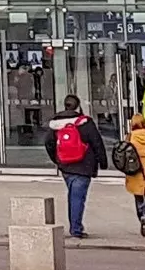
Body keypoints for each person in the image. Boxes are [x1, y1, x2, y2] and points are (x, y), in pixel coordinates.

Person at [45, 93, 108, 239]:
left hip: (66, 166)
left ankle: (75, 225)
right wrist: (103, 162)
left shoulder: (56, 124)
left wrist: (57, 160)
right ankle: (76, 228)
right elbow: (97, 143)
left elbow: (48, 143)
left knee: (73, 196)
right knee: (77, 198)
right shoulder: (85, 122)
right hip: (84, 166)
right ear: (78, 107)